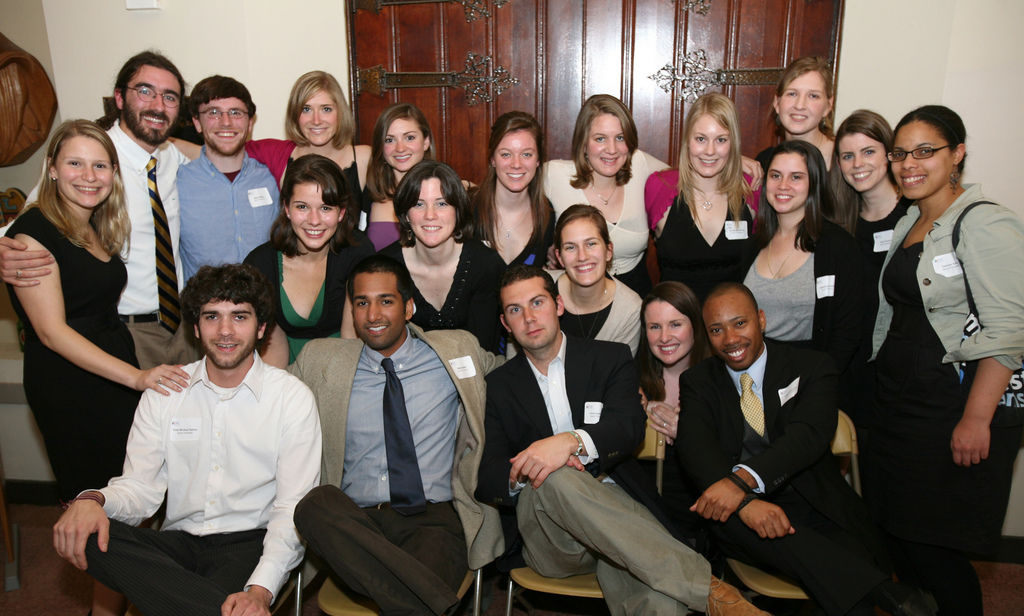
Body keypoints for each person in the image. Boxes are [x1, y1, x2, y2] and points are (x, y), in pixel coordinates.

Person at [477, 264, 768, 616]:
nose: (528, 317)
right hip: (551, 537)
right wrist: (535, 463)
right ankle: (708, 589)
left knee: (661, 599)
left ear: (558, 305)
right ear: (506, 324)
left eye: (537, 302)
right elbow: (488, 476)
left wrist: (570, 441)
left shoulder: (609, 357)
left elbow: (629, 427)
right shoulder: (499, 385)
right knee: (557, 477)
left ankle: (698, 592)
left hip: (620, 524)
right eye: (515, 310)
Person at [51, 263, 322, 616]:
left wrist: (259, 592)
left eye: (240, 317)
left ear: (262, 329)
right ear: (196, 327)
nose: (225, 331)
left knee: (197, 598)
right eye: (212, 317)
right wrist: (93, 499)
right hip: (176, 543)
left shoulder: (291, 398)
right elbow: (140, 489)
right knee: (85, 530)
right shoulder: (166, 391)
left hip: (249, 543)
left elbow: (290, 510)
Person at [677, 282, 936, 616]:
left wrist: (740, 483)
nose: (730, 339)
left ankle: (878, 592)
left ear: (761, 320)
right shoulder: (698, 381)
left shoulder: (811, 366)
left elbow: (808, 436)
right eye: (716, 329)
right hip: (735, 517)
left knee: (849, 592)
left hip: (813, 501)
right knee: (745, 523)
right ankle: (890, 595)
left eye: (740, 323)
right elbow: (694, 449)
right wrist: (747, 503)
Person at [868, 105, 1024, 615]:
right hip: (898, 405)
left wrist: (976, 419)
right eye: (900, 153)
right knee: (899, 536)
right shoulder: (912, 218)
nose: (908, 164)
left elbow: (1007, 329)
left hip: (945, 407)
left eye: (925, 152)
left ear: (956, 154)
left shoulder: (985, 222)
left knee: (933, 545)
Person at [290, 254, 504, 615]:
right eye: (362, 303)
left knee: (414, 581)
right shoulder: (321, 360)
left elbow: (523, 376)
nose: (373, 315)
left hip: (432, 520)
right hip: (354, 523)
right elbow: (265, 396)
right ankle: (434, 605)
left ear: (408, 308)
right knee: (314, 505)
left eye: (385, 301)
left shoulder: (454, 352)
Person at [6, 119, 188, 505]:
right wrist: (137, 377)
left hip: (109, 369)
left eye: (100, 166)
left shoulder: (95, 223)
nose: (89, 176)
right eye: (75, 164)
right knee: (93, 492)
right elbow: (52, 332)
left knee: (128, 488)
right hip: (69, 382)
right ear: (52, 169)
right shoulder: (33, 232)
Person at [1, 51, 194, 368]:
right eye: (145, 91)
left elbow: (216, 154)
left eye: (170, 97)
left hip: (182, 329)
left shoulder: (171, 156)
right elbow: (30, 222)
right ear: (119, 97)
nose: (158, 105)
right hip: (123, 329)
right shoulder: (89, 158)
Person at [743, 140, 865, 414]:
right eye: (775, 176)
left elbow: (848, 334)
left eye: (796, 177)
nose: (783, 185)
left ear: (814, 184)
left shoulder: (839, 248)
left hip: (810, 385)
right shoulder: (753, 244)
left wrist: (815, 386)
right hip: (752, 381)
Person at [245, 154, 374, 367]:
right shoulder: (260, 263)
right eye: (302, 207)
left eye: (325, 208)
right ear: (287, 208)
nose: (314, 221)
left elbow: (351, 337)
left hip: (346, 367)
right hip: (284, 371)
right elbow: (271, 344)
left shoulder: (358, 253)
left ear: (341, 212)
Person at [830, 109, 911, 437]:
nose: (857, 164)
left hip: (903, 369)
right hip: (853, 367)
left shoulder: (915, 216)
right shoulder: (838, 224)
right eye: (848, 156)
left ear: (890, 154)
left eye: (868, 152)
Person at [543, 94, 667, 296]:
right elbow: (506, 183)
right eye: (600, 138)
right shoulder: (554, 175)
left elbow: (689, 177)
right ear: (583, 143)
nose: (611, 149)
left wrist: (736, 162)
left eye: (620, 138)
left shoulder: (640, 164)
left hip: (636, 295)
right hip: (575, 297)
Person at [381, 161, 505, 353]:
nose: (430, 215)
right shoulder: (384, 270)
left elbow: (485, 350)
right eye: (418, 204)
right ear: (405, 215)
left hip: (476, 377)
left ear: (458, 210)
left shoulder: (486, 265)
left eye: (441, 203)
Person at [645, 93, 757, 302]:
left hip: (730, 327)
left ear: (733, 142)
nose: (710, 151)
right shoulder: (659, 187)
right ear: (688, 140)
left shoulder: (751, 189)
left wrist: (734, 160)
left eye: (721, 140)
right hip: (675, 325)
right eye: (701, 139)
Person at [177, 75, 279, 282]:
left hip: (265, 307)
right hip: (203, 309)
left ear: (250, 122)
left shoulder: (272, 177)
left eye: (236, 112)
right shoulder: (177, 183)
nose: (226, 122)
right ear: (197, 122)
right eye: (213, 112)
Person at [636, 281, 709, 535]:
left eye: (675, 324)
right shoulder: (632, 382)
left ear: (695, 326)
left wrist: (688, 433)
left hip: (704, 518)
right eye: (655, 327)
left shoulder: (719, 381)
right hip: (646, 517)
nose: (664, 337)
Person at [551, 204, 641, 355]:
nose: (582, 256)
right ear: (559, 257)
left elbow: (617, 373)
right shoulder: (540, 289)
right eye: (570, 247)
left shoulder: (629, 309)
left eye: (591, 244)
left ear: (609, 251)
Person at [470, 110, 554, 267]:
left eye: (526, 155)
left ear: (538, 160)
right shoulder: (468, 209)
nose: (516, 164)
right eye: (506, 154)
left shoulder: (547, 215)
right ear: (493, 159)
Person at [363, 102, 436, 249]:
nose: (400, 148)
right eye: (389, 140)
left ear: (426, 142)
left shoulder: (445, 192)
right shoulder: (369, 195)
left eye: (409, 138)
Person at [755, 56, 836, 173]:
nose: (799, 105)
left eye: (813, 96)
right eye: (792, 94)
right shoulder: (765, 162)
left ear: (828, 106)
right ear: (777, 102)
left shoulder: (845, 160)